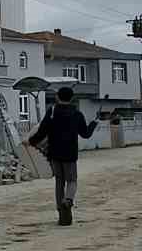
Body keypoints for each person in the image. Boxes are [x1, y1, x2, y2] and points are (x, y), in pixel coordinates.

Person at [25, 86, 97, 226]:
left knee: (59, 182)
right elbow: (85, 134)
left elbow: (42, 131)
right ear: (71, 98)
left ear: (58, 97)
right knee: (72, 180)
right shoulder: (77, 114)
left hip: (54, 153)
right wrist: (94, 123)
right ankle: (68, 200)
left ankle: (61, 213)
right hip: (70, 154)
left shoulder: (52, 112)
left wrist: (30, 142)